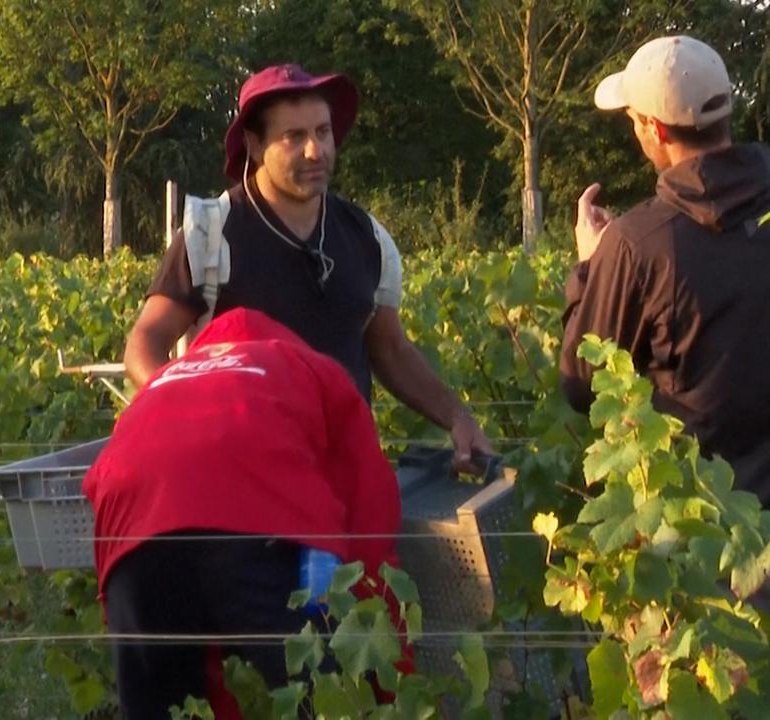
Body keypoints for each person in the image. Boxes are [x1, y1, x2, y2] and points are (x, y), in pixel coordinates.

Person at [558, 35, 770, 717]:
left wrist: (589, 267)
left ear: (651, 129)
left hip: (716, 545)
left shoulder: (638, 242)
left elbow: (582, 382)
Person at [124, 63, 491, 472]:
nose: (315, 150)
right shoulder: (211, 233)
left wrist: (458, 418)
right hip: (240, 481)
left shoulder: (366, 237)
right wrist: (182, 415)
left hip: (345, 479)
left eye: (322, 132)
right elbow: (147, 339)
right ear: (254, 144)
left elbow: (390, 349)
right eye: (294, 137)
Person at [85, 308, 404, 719]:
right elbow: (369, 514)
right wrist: (392, 674)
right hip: (254, 526)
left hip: (131, 538)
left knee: (158, 707)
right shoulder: (309, 365)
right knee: (324, 697)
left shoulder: (167, 376)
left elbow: (101, 483)